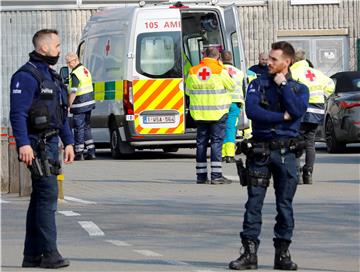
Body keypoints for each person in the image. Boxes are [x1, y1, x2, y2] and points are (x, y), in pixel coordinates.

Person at [229, 41, 309, 270]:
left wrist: (283, 86)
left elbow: (296, 111)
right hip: (261, 151)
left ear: (287, 62)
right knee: (253, 203)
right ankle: (249, 254)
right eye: (269, 58)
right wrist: (280, 118)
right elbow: (253, 111)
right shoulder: (257, 84)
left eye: (274, 60)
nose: (269, 62)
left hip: (286, 153)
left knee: (285, 205)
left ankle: (282, 254)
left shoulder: (298, 88)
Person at [10, 29, 75, 268]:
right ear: (43, 48)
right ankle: (49, 254)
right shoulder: (26, 76)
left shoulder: (52, 76)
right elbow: (17, 114)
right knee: (47, 197)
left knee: (40, 199)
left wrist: (68, 142)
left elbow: (61, 113)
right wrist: (23, 143)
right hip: (36, 145)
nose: (60, 50)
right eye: (57, 46)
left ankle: (32, 255)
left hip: (51, 143)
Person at [185, 47, 235, 184]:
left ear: (205, 55)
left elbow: (188, 91)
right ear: (217, 57)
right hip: (218, 113)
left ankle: (201, 176)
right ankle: (216, 175)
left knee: (201, 143)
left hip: (200, 114)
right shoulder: (221, 71)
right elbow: (232, 87)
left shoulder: (193, 71)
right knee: (216, 143)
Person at [290, 49, 335, 184]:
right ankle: (308, 173)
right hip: (317, 111)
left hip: (300, 111)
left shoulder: (293, 72)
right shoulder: (317, 73)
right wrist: (324, 96)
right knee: (310, 143)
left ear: (293, 60)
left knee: (296, 142)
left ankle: (296, 174)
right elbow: (331, 86)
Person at [65, 52, 96, 161]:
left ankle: (79, 152)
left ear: (75, 60)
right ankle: (91, 152)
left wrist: (69, 104)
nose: (68, 65)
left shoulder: (75, 73)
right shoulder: (84, 70)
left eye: (69, 63)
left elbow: (73, 91)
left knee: (79, 128)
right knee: (86, 127)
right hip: (89, 102)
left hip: (80, 104)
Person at [221, 50, 245, 163]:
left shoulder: (219, 71)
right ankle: (230, 155)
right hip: (235, 104)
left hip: (221, 104)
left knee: (220, 128)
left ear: (221, 58)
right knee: (231, 128)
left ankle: (221, 154)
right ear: (231, 59)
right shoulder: (239, 72)